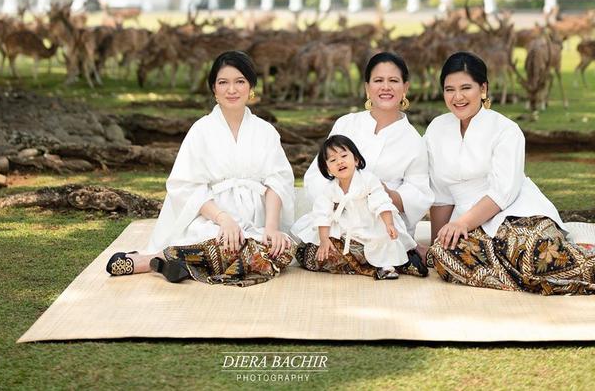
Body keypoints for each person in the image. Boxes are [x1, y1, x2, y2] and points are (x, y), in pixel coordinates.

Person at [106, 50, 296, 286]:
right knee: (221, 242)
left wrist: (272, 228)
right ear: (214, 90)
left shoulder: (266, 131)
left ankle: (173, 261)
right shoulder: (201, 130)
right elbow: (186, 185)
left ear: (251, 86)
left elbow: (277, 182)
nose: (232, 89)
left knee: (283, 251)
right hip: (212, 219)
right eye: (223, 82)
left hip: (256, 221)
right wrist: (224, 220)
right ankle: (155, 260)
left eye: (240, 82)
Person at [425, 51, 595, 295]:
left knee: (536, 255)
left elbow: (503, 191)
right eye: (449, 89)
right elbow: (441, 195)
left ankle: (554, 272)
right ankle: (526, 281)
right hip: (471, 227)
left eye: (466, 88)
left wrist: (462, 222)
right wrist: (436, 241)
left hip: (516, 212)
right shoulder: (436, 129)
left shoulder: (506, 129)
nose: (457, 97)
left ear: (483, 89)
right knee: (443, 256)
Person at [304, 51, 432, 274]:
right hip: (340, 218)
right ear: (367, 88)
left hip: (381, 223)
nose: (386, 87)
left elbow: (419, 192)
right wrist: (338, 196)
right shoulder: (346, 124)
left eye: (393, 81)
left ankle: (386, 256)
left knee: (378, 241)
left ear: (405, 88)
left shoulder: (414, 140)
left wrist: (386, 193)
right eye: (378, 81)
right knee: (313, 253)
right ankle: (393, 261)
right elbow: (317, 174)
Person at [294, 135, 419, 279]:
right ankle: (366, 262)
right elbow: (322, 214)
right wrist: (324, 240)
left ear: (356, 160)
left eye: (344, 156)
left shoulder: (369, 180)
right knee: (312, 249)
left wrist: (389, 224)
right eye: (333, 160)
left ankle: (388, 266)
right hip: (347, 225)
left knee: (383, 238)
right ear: (328, 170)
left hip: (373, 221)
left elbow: (381, 201)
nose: (339, 161)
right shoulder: (330, 189)